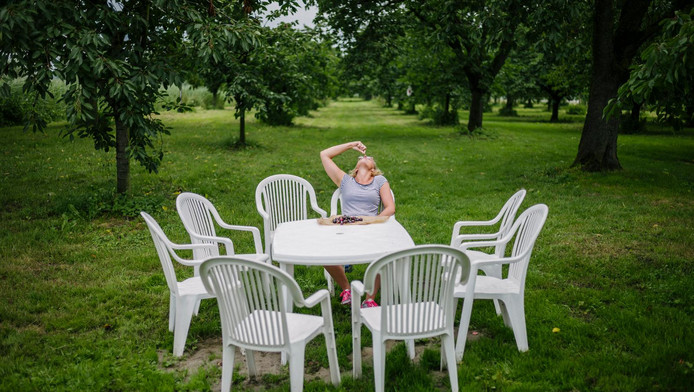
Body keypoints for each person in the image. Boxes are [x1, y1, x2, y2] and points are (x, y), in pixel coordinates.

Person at [320, 141, 395, 308]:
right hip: (346, 229)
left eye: (368, 157)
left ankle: (369, 299)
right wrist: (350, 145)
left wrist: (372, 223)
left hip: (371, 228)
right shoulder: (345, 180)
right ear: (355, 168)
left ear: (373, 168)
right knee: (323, 251)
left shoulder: (380, 181)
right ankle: (346, 289)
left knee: (385, 255)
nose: (364, 156)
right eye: (360, 156)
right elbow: (324, 154)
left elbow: (390, 208)